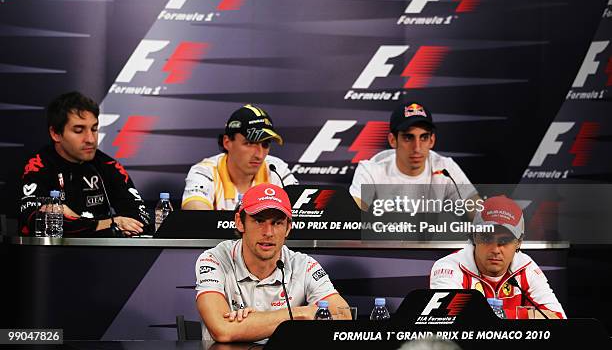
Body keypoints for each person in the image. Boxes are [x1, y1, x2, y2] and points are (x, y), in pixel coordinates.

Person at [195, 183, 350, 342]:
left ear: (288, 227)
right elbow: (223, 330)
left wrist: (250, 323)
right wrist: (299, 314)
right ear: (240, 222)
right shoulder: (214, 260)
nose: (268, 233)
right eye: (259, 221)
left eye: (277, 223)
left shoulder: (304, 265)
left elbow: (343, 315)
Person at [18, 92, 149, 237]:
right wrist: (107, 224)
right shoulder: (38, 166)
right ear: (55, 133)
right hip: (50, 256)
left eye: (94, 129)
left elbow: (140, 220)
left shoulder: (108, 165)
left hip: (100, 256)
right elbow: (36, 220)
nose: (90, 139)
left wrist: (76, 219)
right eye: (79, 130)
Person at [429, 195, 566, 319]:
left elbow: (558, 318)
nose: (495, 249)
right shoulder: (448, 267)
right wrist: (524, 315)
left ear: (519, 242)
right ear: (475, 236)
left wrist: (500, 315)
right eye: (487, 238)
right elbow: (448, 319)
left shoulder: (526, 267)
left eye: (505, 241)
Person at [349, 101, 478, 215]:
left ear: (432, 140)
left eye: (424, 137)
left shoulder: (445, 169)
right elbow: (352, 218)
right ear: (393, 140)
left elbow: (478, 213)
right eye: (408, 137)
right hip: (386, 242)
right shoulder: (371, 170)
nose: (417, 148)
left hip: (432, 241)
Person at [182, 104, 297, 210]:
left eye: (265, 144)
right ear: (227, 142)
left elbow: (300, 217)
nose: (260, 155)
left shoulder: (277, 170)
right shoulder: (205, 171)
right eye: (250, 143)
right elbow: (195, 217)